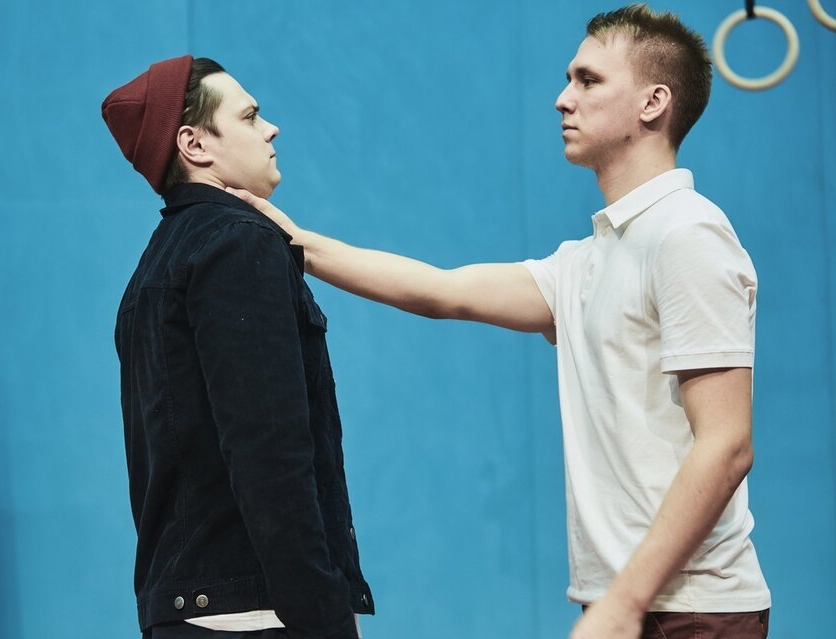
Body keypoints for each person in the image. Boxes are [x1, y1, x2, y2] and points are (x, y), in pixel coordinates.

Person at [229, 5, 770, 639]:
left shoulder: (687, 234)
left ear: (653, 103)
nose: (563, 98)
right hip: (633, 603)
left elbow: (726, 446)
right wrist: (289, 237)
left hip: (694, 610)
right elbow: (442, 291)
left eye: (589, 80)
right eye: (569, 79)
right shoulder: (591, 260)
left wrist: (626, 601)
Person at [101, 55, 374, 639]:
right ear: (194, 144)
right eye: (249, 117)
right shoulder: (238, 246)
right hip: (254, 616)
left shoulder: (154, 267)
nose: (271, 128)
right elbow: (269, 452)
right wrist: (326, 618)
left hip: (186, 610)